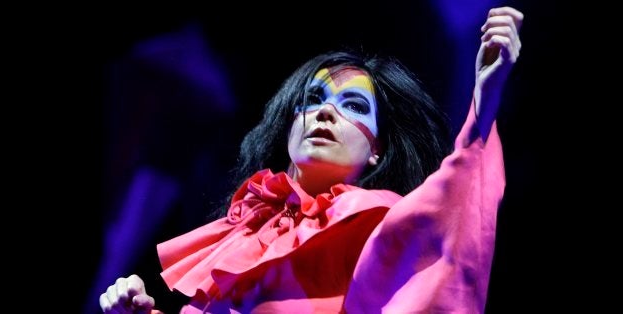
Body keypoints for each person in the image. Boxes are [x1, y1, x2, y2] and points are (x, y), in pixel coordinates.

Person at [99, 6, 523, 313]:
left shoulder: (379, 225)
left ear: (376, 148)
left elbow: (447, 221)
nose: (325, 112)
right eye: (314, 99)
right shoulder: (236, 234)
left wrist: (484, 107)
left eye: (354, 105)